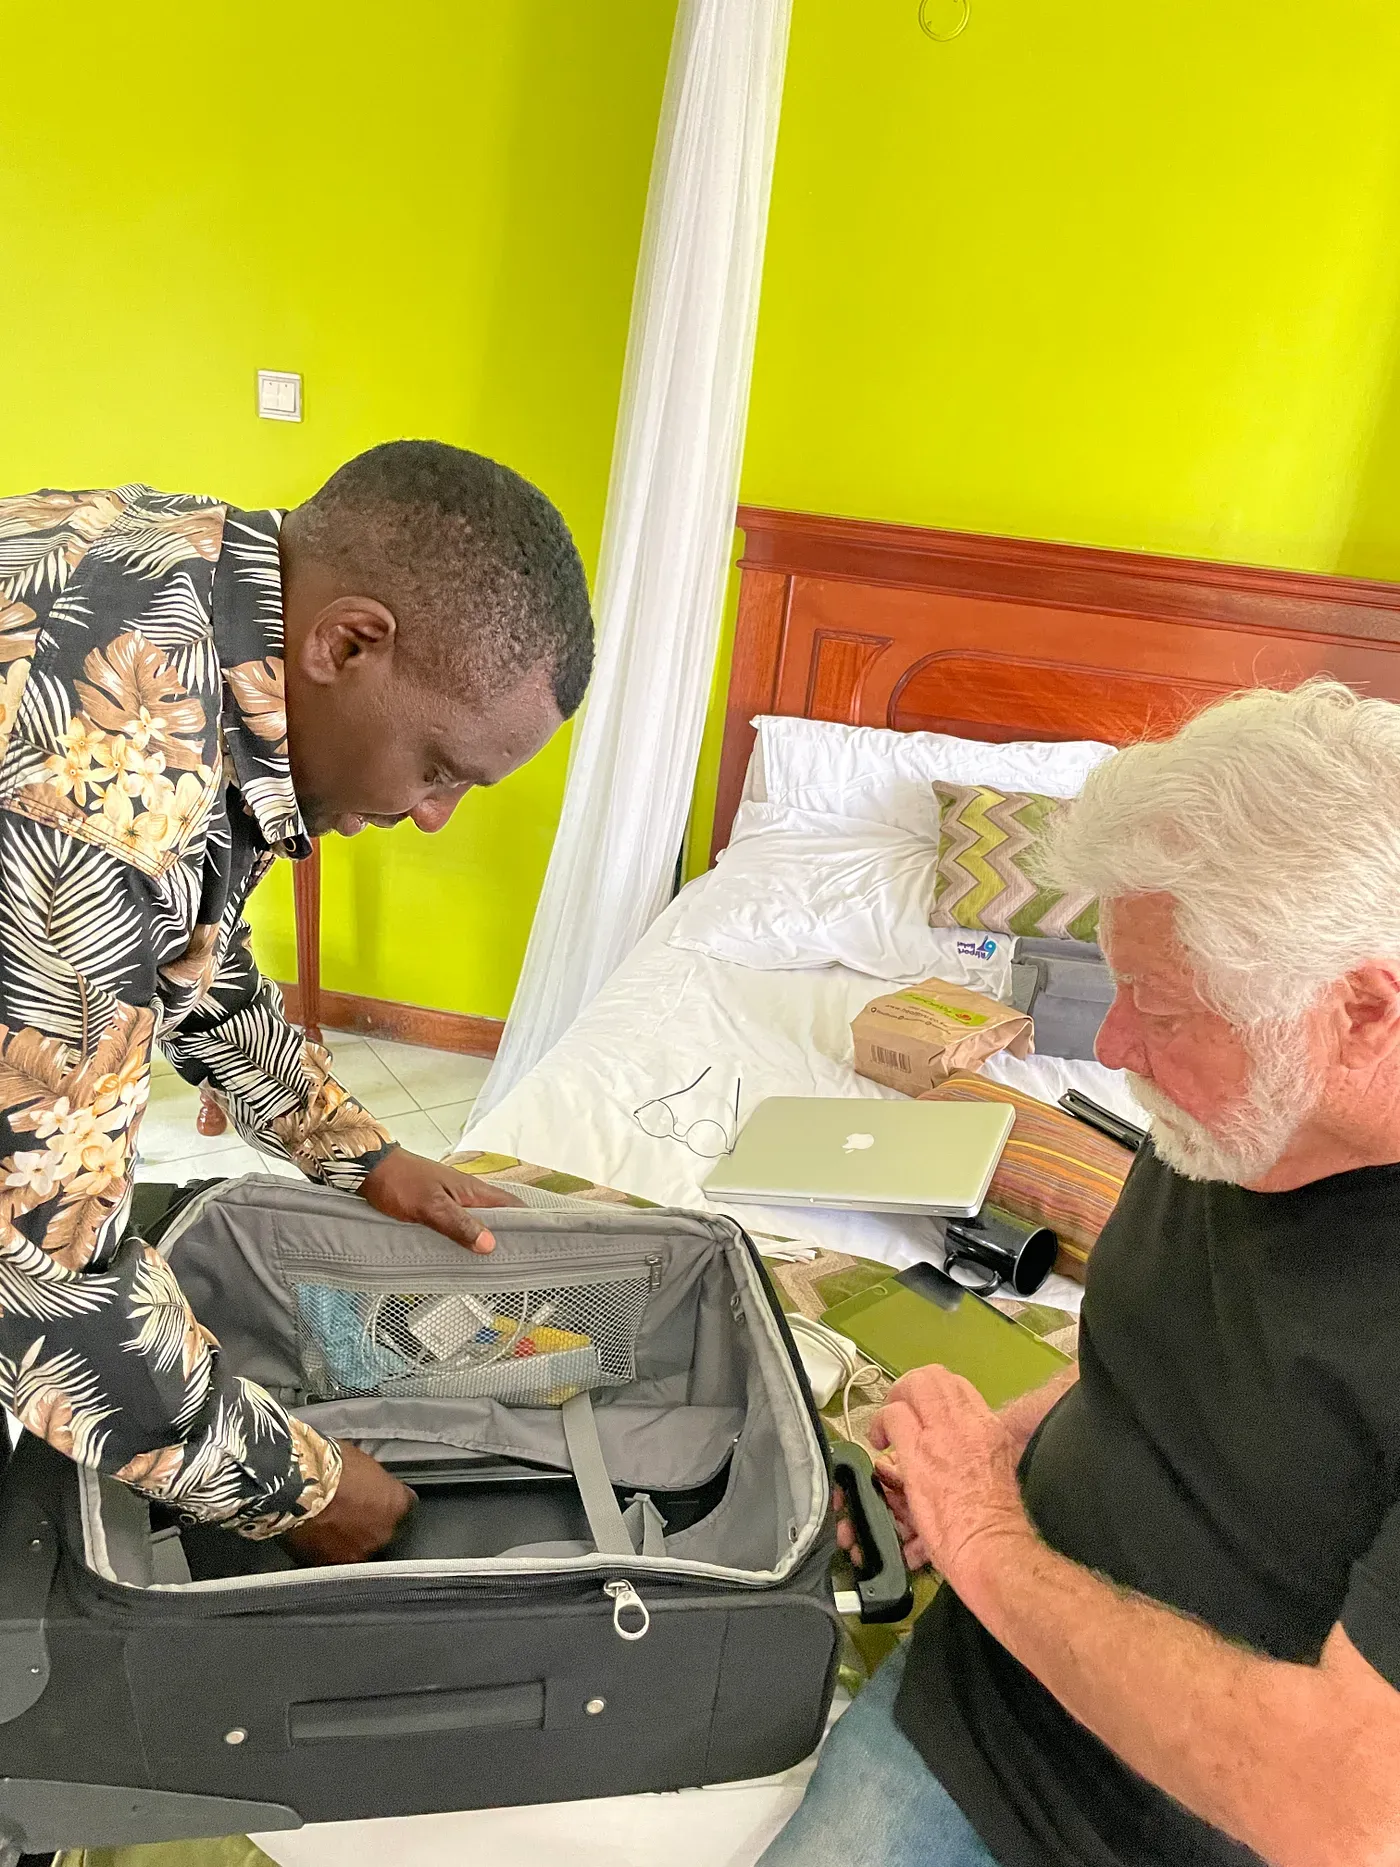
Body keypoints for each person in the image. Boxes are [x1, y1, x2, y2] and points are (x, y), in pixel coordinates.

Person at [762, 681, 1400, 1867]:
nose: (1111, 1049)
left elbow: (1348, 1817)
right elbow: (1171, 1356)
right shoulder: (1235, 1119)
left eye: (1159, 1009)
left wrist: (981, 1530)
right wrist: (989, 1451)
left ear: (1361, 1011)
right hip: (988, 1695)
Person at [0, 442, 592, 1565]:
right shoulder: (95, 795)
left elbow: (186, 953)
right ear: (347, 643)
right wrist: (307, 1492)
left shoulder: (192, 570)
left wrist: (356, 1150)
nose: (435, 818)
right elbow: (36, 1280)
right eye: (439, 768)